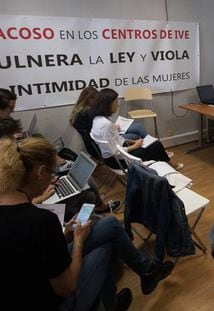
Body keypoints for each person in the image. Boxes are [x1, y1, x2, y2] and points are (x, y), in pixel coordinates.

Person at [0, 137, 174, 310]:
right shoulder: (42, 221)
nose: (53, 179)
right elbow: (66, 287)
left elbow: (29, 249)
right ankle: (115, 299)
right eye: (52, 173)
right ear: (41, 172)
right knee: (104, 246)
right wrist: (78, 243)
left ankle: (145, 272)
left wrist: (63, 236)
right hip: (56, 302)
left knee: (111, 224)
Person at [0, 116, 120, 217]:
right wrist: (40, 199)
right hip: (40, 205)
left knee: (88, 191)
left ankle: (87, 218)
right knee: (90, 196)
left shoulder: (7, 167)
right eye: (17, 138)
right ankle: (86, 220)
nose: (20, 140)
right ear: (41, 172)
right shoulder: (40, 219)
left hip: (37, 199)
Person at [90, 88, 182, 170]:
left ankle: (160, 166)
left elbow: (115, 141)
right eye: (115, 102)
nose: (117, 105)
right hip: (119, 162)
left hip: (111, 158)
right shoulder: (106, 125)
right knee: (156, 144)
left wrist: (133, 142)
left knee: (145, 142)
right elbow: (116, 152)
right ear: (107, 105)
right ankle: (167, 165)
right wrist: (135, 146)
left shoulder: (97, 119)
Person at [70, 86, 149, 141]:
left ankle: (151, 145)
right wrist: (114, 130)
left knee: (137, 127)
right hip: (106, 139)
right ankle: (151, 146)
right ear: (90, 99)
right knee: (135, 133)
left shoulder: (80, 112)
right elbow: (101, 133)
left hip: (107, 135)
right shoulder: (89, 113)